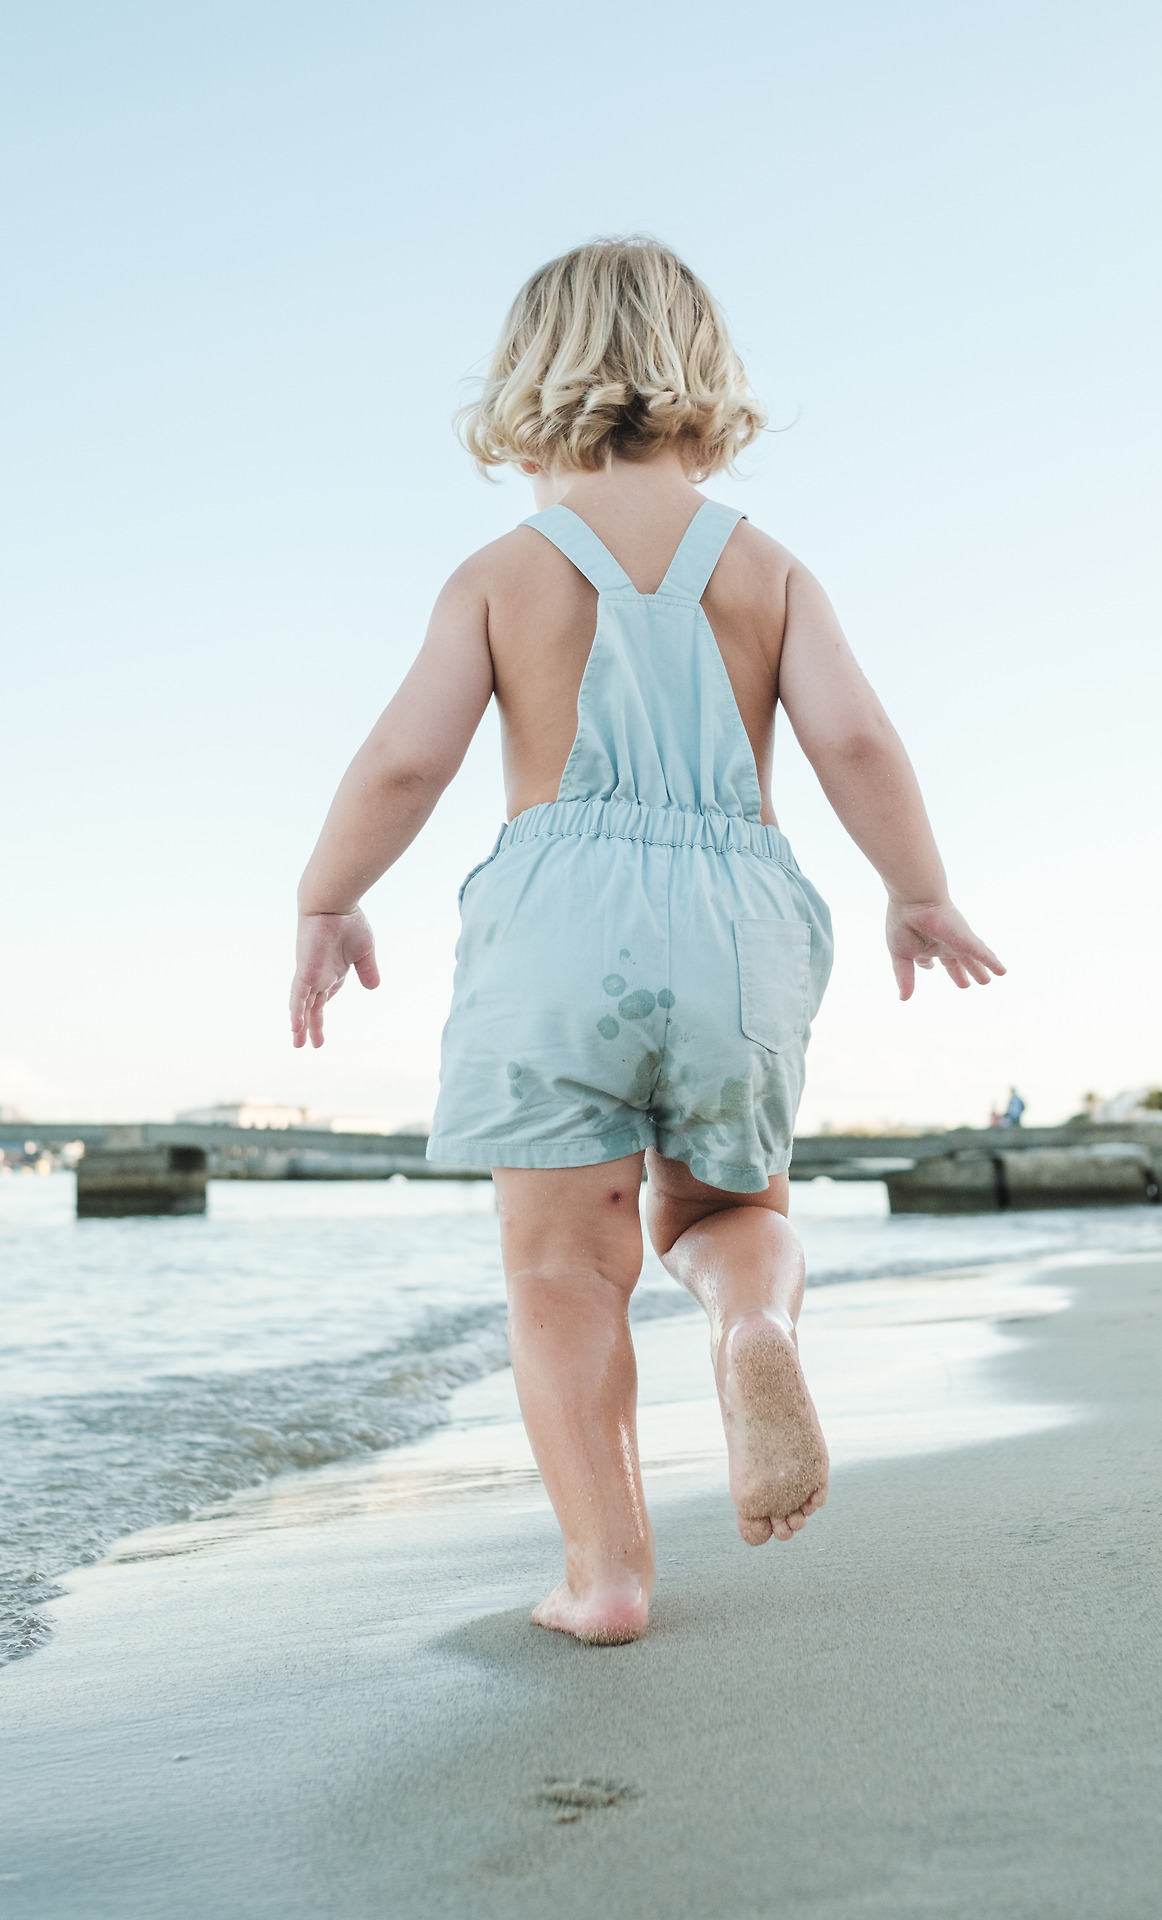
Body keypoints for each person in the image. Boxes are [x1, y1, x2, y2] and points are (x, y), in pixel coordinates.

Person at [288, 239, 1004, 1646]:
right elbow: (853, 734)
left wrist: (328, 895)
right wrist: (917, 887)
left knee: (563, 1264)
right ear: (702, 368)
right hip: (740, 914)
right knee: (728, 1211)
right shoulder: (769, 569)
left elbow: (401, 766)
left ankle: (606, 1575)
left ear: (527, 376)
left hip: (560, 917)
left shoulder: (503, 573)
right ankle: (753, 1328)